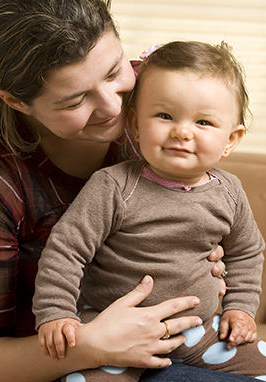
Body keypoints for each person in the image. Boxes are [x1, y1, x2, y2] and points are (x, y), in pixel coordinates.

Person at [0, 0, 251, 382]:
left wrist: (197, 255)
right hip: (74, 363)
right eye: (76, 99)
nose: (113, 108)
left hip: (187, 334)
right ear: (16, 101)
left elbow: (219, 210)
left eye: (115, 70)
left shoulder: (156, 97)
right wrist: (92, 344)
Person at [33, 41, 266, 381]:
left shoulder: (228, 192)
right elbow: (66, 250)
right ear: (135, 124)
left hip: (196, 330)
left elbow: (247, 253)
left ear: (231, 139)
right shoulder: (114, 186)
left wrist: (241, 309)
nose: (182, 131)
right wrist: (56, 313)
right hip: (112, 332)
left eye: (203, 122)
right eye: (165, 115)